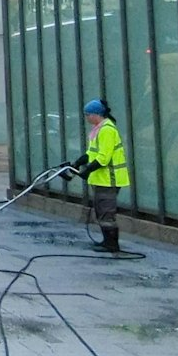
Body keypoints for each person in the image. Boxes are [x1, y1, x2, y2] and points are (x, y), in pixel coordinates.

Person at [74, 99, 131, 253]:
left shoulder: (107, 130)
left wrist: (87, 170)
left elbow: (103, 158)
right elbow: (93, 153)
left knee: (106, 211)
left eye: (88, 114)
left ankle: (112, 244)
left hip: (109, 179)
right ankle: (106, 240)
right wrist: (79, 162)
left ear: (96, 114)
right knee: (101, 211)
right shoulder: (98, 130)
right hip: (101, 179)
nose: (86, 118)